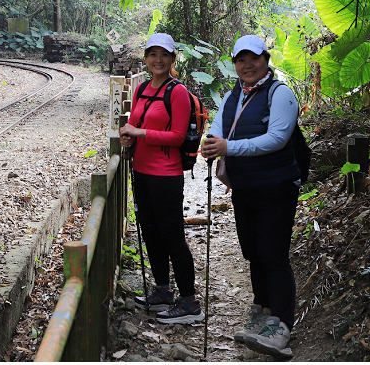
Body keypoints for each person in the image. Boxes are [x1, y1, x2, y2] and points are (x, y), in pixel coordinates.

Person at [200, 35, 301, 356]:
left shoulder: (280, 93)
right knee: (254, 253)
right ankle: (262, 312)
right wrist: (211, 143)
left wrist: (228, 147)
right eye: (241, 60)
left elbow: (277, 138)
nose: (248, 65)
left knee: (273, 255)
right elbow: (218, 127)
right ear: (235, 64)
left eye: (254, 58)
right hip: (245, 189)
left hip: (276, 188)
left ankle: (281, 324)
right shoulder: (234, 95)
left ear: (266, 60)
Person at [119, 33, 203, 324]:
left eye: (164, 55)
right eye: (153, 54)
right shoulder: (142, 88)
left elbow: (178, 136)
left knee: (172, 235)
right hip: (141, 171)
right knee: (150, 231)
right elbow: (133, 123)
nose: (158, 60)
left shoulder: (177, 92)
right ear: (145, 58)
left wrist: (140, 133)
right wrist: (128, 136)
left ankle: (189, 301)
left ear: (172, 59)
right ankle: (163, 291)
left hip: (166, 175)